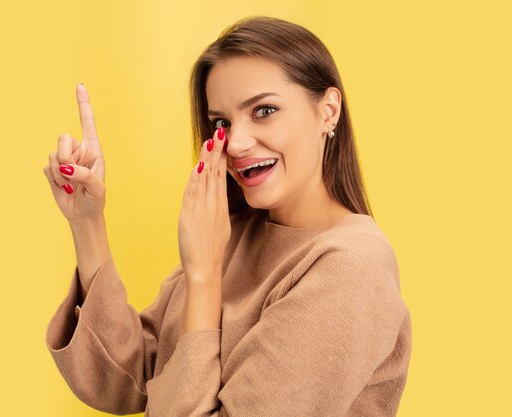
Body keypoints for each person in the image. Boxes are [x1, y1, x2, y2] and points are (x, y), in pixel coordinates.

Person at [43, 15, 412, 417]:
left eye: (264, 110)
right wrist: (87, 221)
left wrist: (203, 277)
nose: (235, 143)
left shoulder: (352, 268)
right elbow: (126, 378)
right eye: (221, 122)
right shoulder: (231, 235)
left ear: (328, 111)